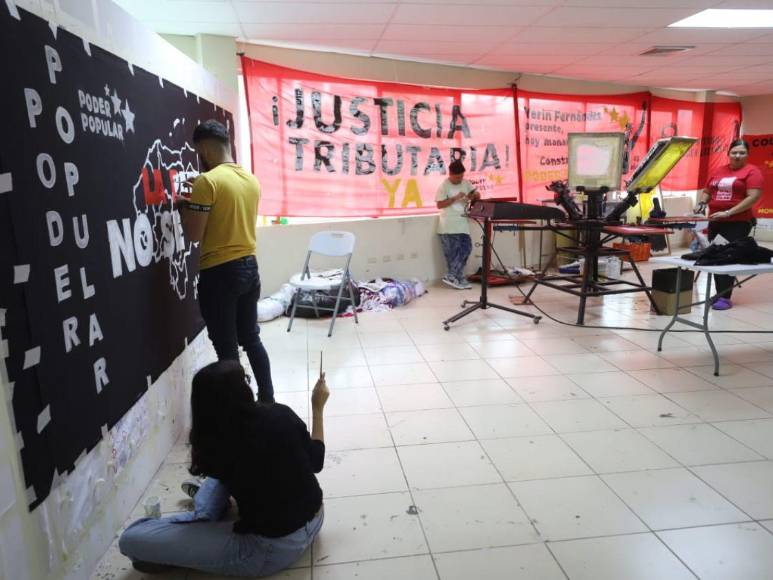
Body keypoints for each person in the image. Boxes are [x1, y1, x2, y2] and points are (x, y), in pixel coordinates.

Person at [119, 360, 329, 576]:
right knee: (227, 477)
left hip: (269, 550)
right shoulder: (280, 414)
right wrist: (317, 407)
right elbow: (317, 460)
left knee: (130, 538)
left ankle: (202, 517)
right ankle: (203, 516)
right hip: (316, 518)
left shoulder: (218, 445)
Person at [177, 120, 274, 402]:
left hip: (219, 274)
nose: (200, 158)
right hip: (249, 267)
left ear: (205, 149)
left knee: (227, 351)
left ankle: (239, 411)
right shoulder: (251, 180)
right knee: (251, 338)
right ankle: (267, 401)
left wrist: (185, 207)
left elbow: (194, 234)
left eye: (200, 152)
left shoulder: (207, 182)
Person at [694, 139, 763, 310]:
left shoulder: (752, 171)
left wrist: (728, 212)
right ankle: (719, 294)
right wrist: (702, 203)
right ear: (728, 153)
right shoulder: (719, 170)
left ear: (747, 154)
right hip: (715, 221)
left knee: (727, 257)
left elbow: (753, 197)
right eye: (734, 152)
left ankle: (725, 297)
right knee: (715, 256)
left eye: (742, 153)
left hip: (737, 222)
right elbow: (708, 191)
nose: (737, 155)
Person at [435, 160, 480, 289]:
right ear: (450, 174)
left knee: (466, 249)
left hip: (462, 224)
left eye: (461, 176)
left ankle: (452, 275)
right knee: (452, 255)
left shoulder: (466, 183)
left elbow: (476, 195)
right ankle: (458, 278)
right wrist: (455, 198)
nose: (460, 179)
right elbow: (439, 205)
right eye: (457, 177)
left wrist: (473, 196)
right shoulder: (444, 186)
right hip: (448, 225)